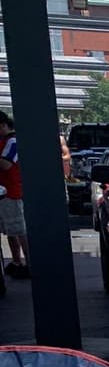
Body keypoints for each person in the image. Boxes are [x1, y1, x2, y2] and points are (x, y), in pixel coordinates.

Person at [0, 111, 30, 278]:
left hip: (11, 192)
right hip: (5, 192)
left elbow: (6, 164)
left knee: (19, 229)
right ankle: (17, 261)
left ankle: (29, 263)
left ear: (3, 125)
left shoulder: (12, 141)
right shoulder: (4, 141)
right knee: (11, 231)